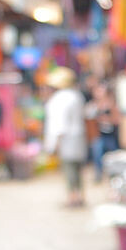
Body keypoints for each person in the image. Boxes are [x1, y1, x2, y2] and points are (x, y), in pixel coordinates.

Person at [42, 67, 88, 208]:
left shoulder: (59, 99)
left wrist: (54, 143)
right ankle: (79, 195)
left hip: (66, 138)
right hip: (79, 135)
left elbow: (59, 124)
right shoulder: (76, 96)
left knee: (69, 169)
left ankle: (72, 197)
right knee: (77, 168)